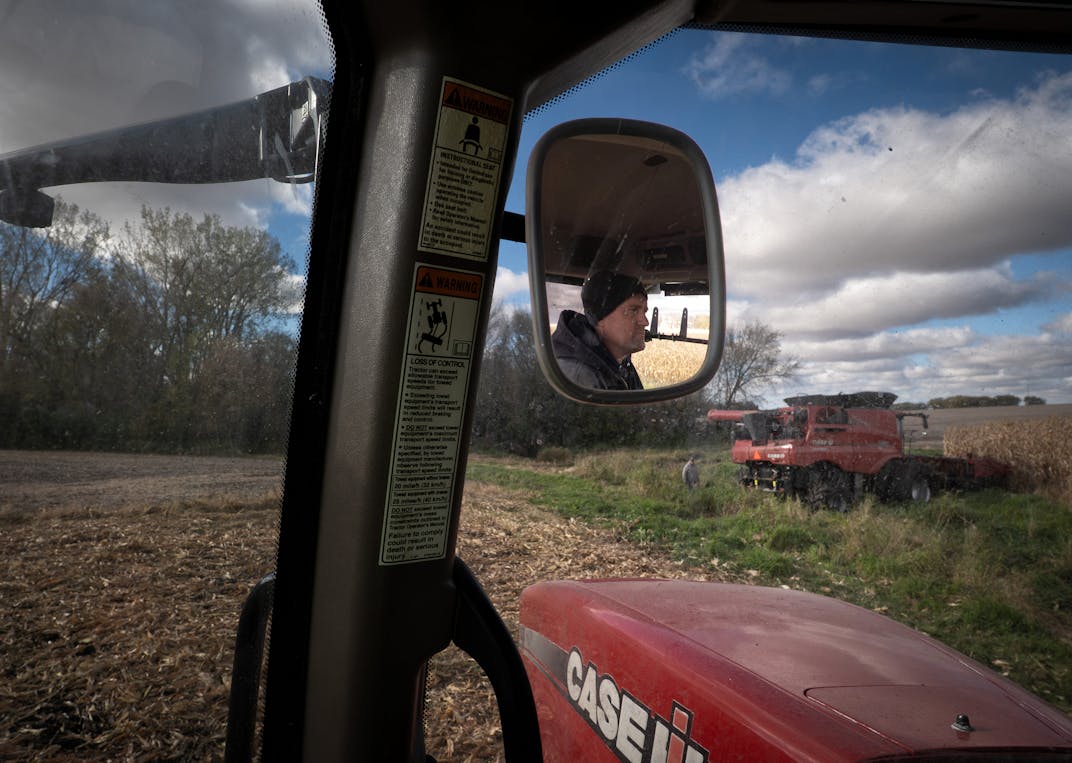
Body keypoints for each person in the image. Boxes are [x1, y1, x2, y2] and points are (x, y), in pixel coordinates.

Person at [551, 270, 648, 390]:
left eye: (644, 312)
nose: (645, 322)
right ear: (599, 318)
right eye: (633, 311)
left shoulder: (619, 362)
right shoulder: (580, 376)